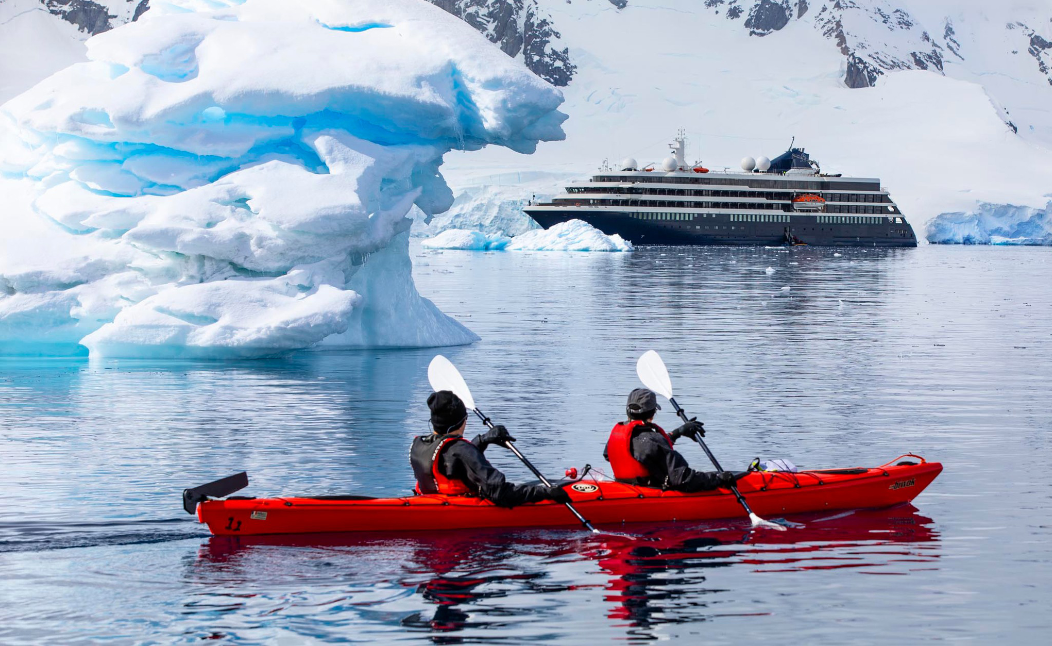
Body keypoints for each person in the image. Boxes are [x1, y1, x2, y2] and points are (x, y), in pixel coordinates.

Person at [411, 390, 571, 507]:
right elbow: (500, 493)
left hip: (431, 501)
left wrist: (483, 440)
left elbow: (454, 460)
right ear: (462, 421)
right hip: (464, 510)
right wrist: (544, 492)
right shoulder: (462, 450)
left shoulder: (420, 444)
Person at [603, 388, 742, 492]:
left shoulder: (616, 437)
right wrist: (719, 479)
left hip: (625, 488)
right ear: (652, 414)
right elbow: (683, 479)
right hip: (651, 493)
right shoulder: (652, 441)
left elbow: (641, 448)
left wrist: (677, 433)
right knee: (716, 476)